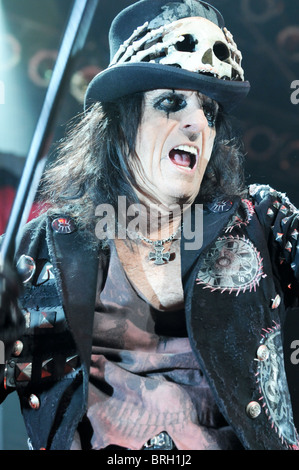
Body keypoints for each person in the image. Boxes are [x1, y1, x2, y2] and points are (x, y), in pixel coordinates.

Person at [0, 0, 298, 451]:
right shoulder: (37, 253)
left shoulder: (259, 220)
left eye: (210, 112)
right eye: (172, 102)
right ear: (121, 125)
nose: (197, 123)